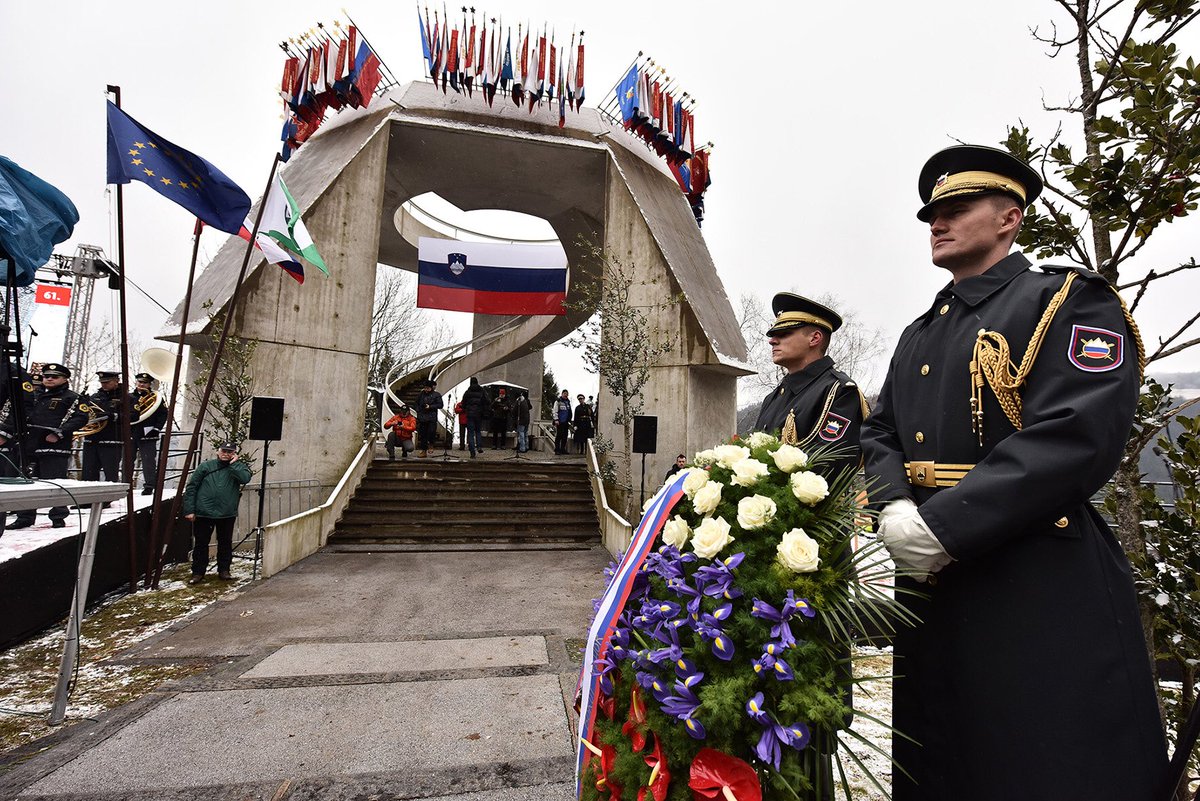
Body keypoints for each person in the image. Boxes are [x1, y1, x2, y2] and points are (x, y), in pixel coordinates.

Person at [860, 144, 1167, 800]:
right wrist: (894, 507)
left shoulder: (1065, 301)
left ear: (1009, 217)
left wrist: (945, 526)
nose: (936, 221)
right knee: (942, 759)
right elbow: (880, 431)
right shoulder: (921, 332)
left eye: (956, 207)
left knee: (1036, 760)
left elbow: (1076, 433)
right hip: (931, 584)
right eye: (931, 213)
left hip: (1033, 577)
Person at [754, 294, 866, 478]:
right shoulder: (772, 398)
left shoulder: (839, 392)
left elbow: (828, 468)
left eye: (784, 334)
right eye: (773, 335)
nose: (772, 341)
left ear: (815, 338)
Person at [1, 363, 89, 529]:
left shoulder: (72, 397)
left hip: (54, 446)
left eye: (54, 377)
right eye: (46, 376)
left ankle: (58, 516)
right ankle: (25, 517)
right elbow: (19, 415)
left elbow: (81, 418)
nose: (49, 379)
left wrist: (59, 433)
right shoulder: (33, 395)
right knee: (26, 483)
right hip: (29, 444)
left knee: (55, 483)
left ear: (65, 379)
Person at [183, 441, 252, 584]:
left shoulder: (238, 467)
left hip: (226, 513)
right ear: (218, 452)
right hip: (204, 512)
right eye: (224, 451)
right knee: (201, 544)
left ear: (234, 454)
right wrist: (189, 510)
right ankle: (198, 572)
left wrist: (234, 465)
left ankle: (224, 570)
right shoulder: (206, 466)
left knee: (225, 543)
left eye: (229, 452)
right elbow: (192, 487)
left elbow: (245, 478)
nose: (226, 454)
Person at [129, 371, 169, 495]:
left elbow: (163, 414)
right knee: (127, 461)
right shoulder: (129, 397)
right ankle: (126, 485)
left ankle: (149, 486)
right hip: (131, 432)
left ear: (149, 384)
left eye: (145, 383)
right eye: (140, 382)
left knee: (149, 461)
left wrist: (156, 429)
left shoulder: (156, 398)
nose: (142, 384)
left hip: (148, 434)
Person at [80, 369, 124, 484]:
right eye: (102, 382)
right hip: (91, 440)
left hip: (111, 441)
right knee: (88, 476)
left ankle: (110, 496)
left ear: (116, 381)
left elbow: (133, 416)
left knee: (110, 476)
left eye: (107, 382)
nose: (104, 385)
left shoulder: (126, 397)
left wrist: (113, 416)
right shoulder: (94, 397)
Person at [414, 380, 443, 457]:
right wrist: (418, 410)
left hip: (431, 418)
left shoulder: (436, 395)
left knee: (431, 432)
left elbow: (440, 405)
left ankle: (431, 444)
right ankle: (423, 451)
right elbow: (416, 403)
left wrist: (430, 407)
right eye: (425, 388)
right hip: (422, 417)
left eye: (428, 388)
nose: (426, 390)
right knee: (423, 435)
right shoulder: (421, 395)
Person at [460, 376, 488, 458]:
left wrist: (466, 409)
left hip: (470, 414)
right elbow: (487, 401)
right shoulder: (482, 391)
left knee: (471, 433)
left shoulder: (468, 392)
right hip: (479, 413)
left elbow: (463, 403)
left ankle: (472, 451)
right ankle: (479, 446)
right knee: (478, 431)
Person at [553, 389, 572, 455]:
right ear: (562, 394)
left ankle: (562, 449)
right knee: (559, 436)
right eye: (564, 393)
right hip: (560, 421)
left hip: (566, 422)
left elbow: (569, 411)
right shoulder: (558, 401)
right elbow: (555, 411)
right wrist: (556, 419)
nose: (566, 395)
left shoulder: (568, 402)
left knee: (565, 436)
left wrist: (569, 419)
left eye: (567, 394)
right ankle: (557, 449)